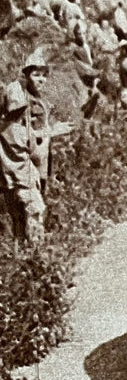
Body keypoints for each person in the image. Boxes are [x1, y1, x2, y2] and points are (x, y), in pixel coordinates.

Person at [0, 50, 68, 243]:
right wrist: (52, 131)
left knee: (20, 218)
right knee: (33, 209)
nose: (41, 79)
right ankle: (37, 255)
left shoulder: (18, 116)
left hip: (25, 168)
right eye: (36, 74)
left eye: (44, 75)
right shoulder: (15, 120)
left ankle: (23, 253)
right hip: (23, 169)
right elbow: (27, 140)